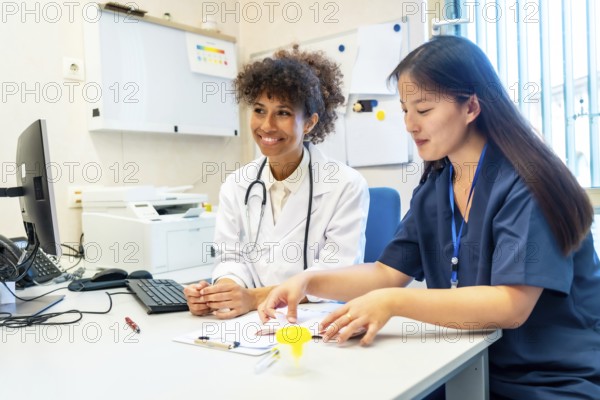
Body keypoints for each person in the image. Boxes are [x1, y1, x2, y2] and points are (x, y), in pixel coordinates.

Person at [259, 36, 600, 399]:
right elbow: (385, 273)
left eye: (423, 110)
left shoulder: (528, 182)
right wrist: (309, 280)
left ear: (470, 107)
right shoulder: (437, 187)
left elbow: (511, 305)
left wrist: (393, 303)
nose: (409, 124)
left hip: (553, 378)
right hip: (468, 366)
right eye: (404, 110)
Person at [184, 46, 369, 320]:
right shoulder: (238, 184)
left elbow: (338, 276)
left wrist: (252, 298)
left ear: (309, 123)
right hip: (252, 322)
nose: (267, 125)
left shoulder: (345, 185)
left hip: (317, 320)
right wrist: (222, 292)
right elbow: (231, 258)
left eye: (282, 113)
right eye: (259, 110)